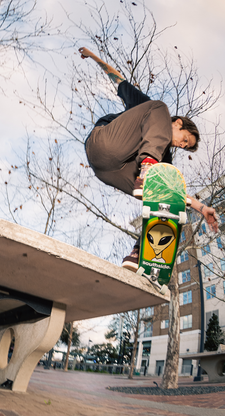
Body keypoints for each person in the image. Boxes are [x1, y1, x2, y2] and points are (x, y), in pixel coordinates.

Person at [79, 47, 219, 271]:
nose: (181, 145)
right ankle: (146, 171)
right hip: (104, 143)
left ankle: (139, 253)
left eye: (185, 147)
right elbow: (118, 80)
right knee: (160, 107)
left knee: (169, 192)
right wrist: (94, 57)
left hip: (111, 172)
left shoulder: (165, 158)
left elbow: (177, 191)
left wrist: (202, 208)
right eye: (184, 140)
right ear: (178, 123)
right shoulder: (152, 109)